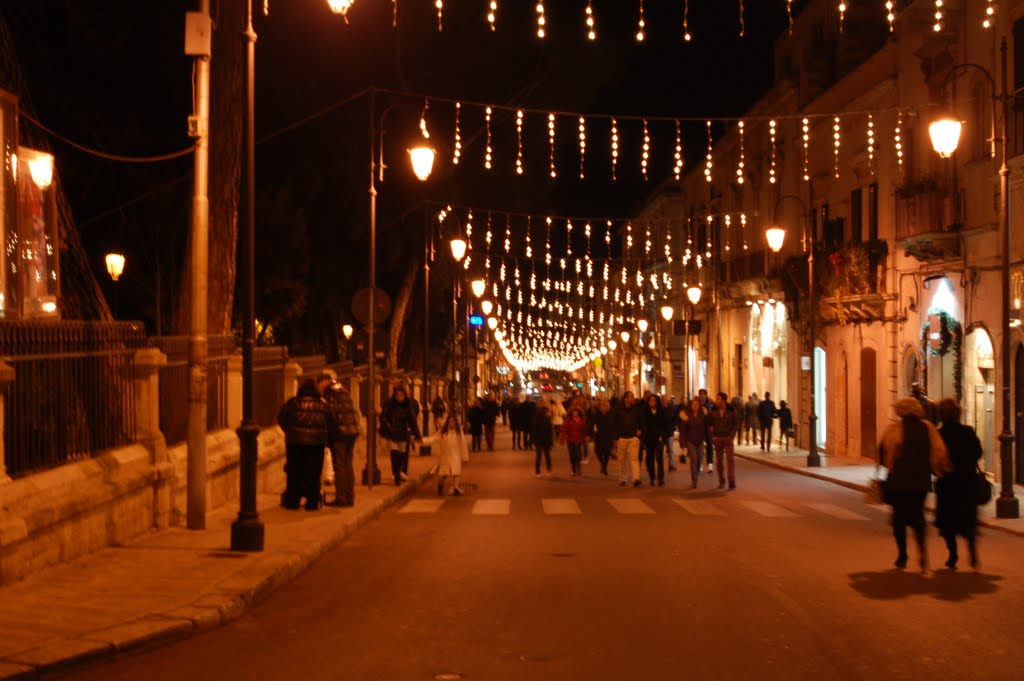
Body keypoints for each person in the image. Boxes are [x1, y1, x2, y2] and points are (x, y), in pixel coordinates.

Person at [879, 397, 951, 572]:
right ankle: (922, 551)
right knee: (918, 516)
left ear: (900, 411)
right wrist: (937, 469)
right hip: (921, 480)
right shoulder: (928, 428)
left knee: (899, 519)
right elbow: (939, 452)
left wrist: (892, 463)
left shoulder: (894, 429)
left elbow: (883, 453)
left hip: (899, 481)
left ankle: (902, 555)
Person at [935, 398, 983, 570]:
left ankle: (953, 555)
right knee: (969, 519)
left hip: (948, 483)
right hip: (967, 482)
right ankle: (973, 554)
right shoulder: (968, 431)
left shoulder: (939, 434)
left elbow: (936, 459)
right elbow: (978, 452)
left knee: (948, 522)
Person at [277, 378, 340, 510]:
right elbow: (332, 422)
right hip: (316, 444)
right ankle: (312, 502)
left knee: (294, 472)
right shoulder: (323, 404)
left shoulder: (293, 403)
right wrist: (327, 439)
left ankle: (292, 502)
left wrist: (290, 431)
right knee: (313, 474)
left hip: (295, 443)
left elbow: (282, 418)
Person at [322, 375, 360, 507]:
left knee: (339, 466)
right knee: (348, 464)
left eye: (320, 384)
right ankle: (350, 497)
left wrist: (329, 434)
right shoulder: (343, 390)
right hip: (352, 430)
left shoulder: (330, 392)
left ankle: (341, 498)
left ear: (324, 382)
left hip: (340, 432)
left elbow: (330, 414)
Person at [379, 386, 422, 486]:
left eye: (401, 395)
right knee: (394, 453)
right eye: (397, 395)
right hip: (392, 433)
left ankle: (400, 471)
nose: (399, 397)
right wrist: (387, 425)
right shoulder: (389, 404)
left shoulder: (408, 405)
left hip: (402, 433)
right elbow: (383, 416)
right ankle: (396, 474)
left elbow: (412, 421)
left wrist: (417, 435)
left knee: (402, 453)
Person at [423, 413, 470, 497]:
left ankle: (455, 488)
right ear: (447, 422)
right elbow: (433, 439)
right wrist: (422, 441)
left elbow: (462, 444)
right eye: (450, 421)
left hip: (455, 455)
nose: (451, 423)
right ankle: (440, 486)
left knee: (456, 472)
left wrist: (464, 457)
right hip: (446, 456)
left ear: (455, 422)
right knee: (445, 473)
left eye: (453, 421)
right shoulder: (443, 432)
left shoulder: (458, 431)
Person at [708, 392, 739, 490]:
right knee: (719, 462)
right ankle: (721, 480)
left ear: (723, 401)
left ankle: (731, 481)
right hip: (718, 438)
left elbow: (736, 423)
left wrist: (732, 435)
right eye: (716, 399)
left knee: (730, 460)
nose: (716, 400)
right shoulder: (713, 411)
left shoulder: (731, 410)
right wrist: (713, 436)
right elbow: (709, 424)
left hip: (727, 438)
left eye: (718, 399)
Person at [614, 391, 645, 487]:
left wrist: (640, 430)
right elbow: (614, 423)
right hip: (622, 437)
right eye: (631, 397)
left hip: (633, 438)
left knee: (634, 459)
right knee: (621, 460)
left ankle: (636, 478)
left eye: (633, 397)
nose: (633, 399)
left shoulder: (636, 409)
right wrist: (616, 436)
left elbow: (641, 421)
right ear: (625, 398)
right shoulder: (618, 410)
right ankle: (622, 479)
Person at [678, 397, 707, 489]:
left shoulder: (702, 415)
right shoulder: (686, 415)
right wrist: (682, 443)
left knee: (699, 460)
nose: (695, 406)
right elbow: (683, 430)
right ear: (691, 406)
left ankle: (696, 474)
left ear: (699, 406)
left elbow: (708, 426)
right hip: (690, 441)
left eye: (697, 405)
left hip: (700, 441)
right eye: (693, 405)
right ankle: (694, 480)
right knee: (694, 459)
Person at [641, 394, 667, 486]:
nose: (652, 402)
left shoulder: (661, 411)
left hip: (659, 438)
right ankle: (652, 477)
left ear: (657, 402)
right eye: (650, 400)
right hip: (649, 438)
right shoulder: (645, 412)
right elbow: (643, 424)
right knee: (650, 458)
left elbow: (665, 424)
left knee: (659, 458)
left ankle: (661, 478)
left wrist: (663, 436)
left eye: (654, 400)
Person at [588, 398, 616, 476]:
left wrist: (615, 434)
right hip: (599, 435)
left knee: (607, 452)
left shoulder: (612, 414)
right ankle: (602, 463)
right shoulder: (596, 414)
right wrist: (589, 434)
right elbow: (591, 424)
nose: (604, 407)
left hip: (609, 435)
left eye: (606, 406)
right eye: (603, 406)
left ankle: (604, 467)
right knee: (597, 451)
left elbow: (616, 424)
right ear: (600, 407)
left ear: (608, 407)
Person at [561, 407, 588, 477]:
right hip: (570, 440)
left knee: (578, 455)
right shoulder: (568, 420)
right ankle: (573, 470)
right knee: (572, 455)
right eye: (573, 412)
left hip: (579, 440)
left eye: (576, 412)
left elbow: (584, 431)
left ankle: (578, 467)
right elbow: (564, 429)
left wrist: (585, 437)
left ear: (579, 413)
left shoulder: (582, 421)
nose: (575, 413)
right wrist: (562, 438)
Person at [532, 403, 555, 477]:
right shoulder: (547, 421)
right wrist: (551, 442)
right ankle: (548, 470)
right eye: (547, 412)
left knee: (539, 456)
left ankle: (538, 472)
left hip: (539, 441)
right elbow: (550, 432)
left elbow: (534, 432)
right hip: (545, 441)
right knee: (547, 456)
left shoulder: (536, 420)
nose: (549, 413)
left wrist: (534, 441)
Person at [698, 388, 715, 473]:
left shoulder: (710, 404)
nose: (701, 396)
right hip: (699, 427)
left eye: (702, 394)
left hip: (708, 426)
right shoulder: (696, 404)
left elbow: (715, 414)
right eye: (700, 394)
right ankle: (700, 463)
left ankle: (710, 463)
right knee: (700, 446)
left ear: (706, 395)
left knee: (709, 445)